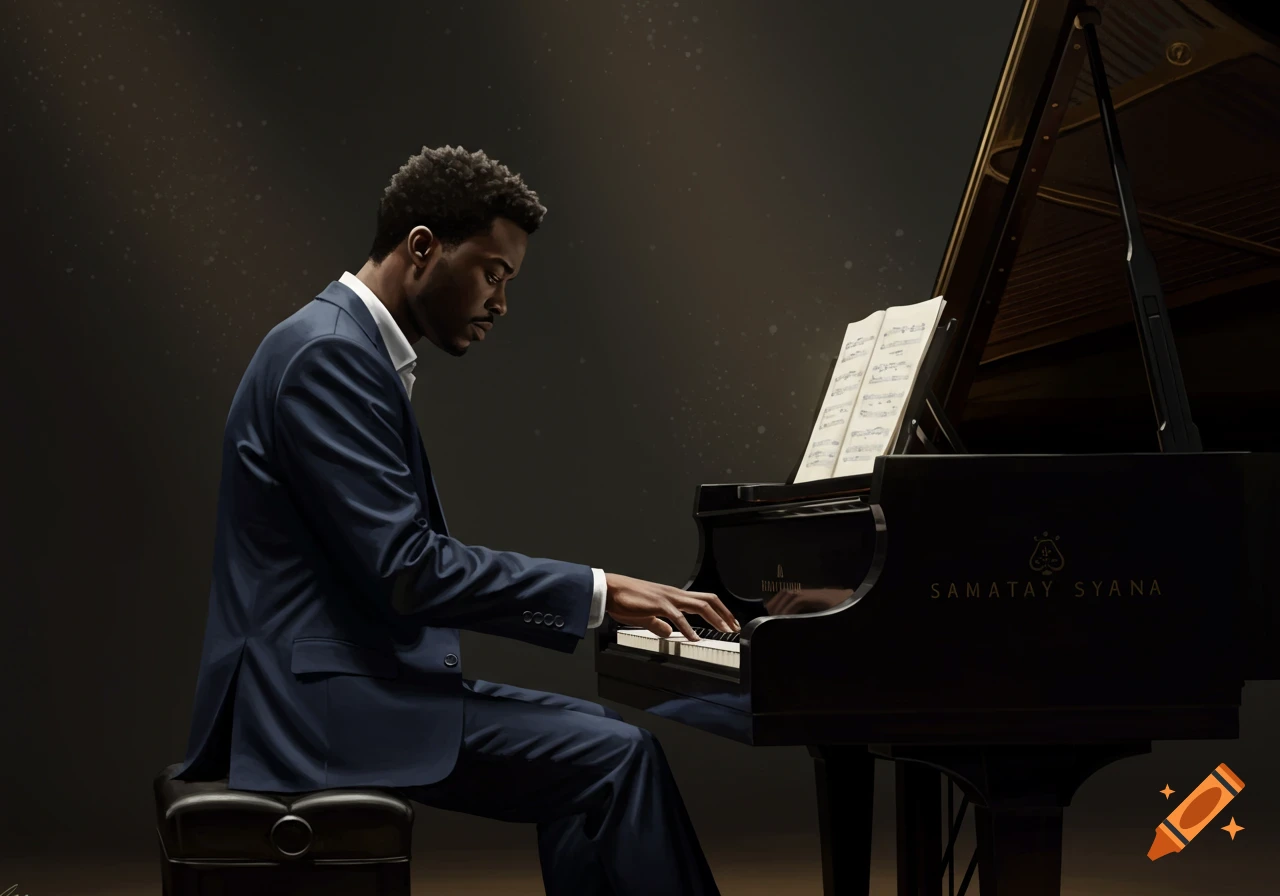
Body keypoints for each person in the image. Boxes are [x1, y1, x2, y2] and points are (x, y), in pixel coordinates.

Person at [174, 145, 737, 895]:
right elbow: (408, 570)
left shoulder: (338, 345)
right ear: (421, 248)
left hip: (347, 688)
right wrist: (600, 592)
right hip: (318, 712)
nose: (501, 302)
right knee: (614, 759)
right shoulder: (330, 357)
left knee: (605, 756)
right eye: (493, 273)